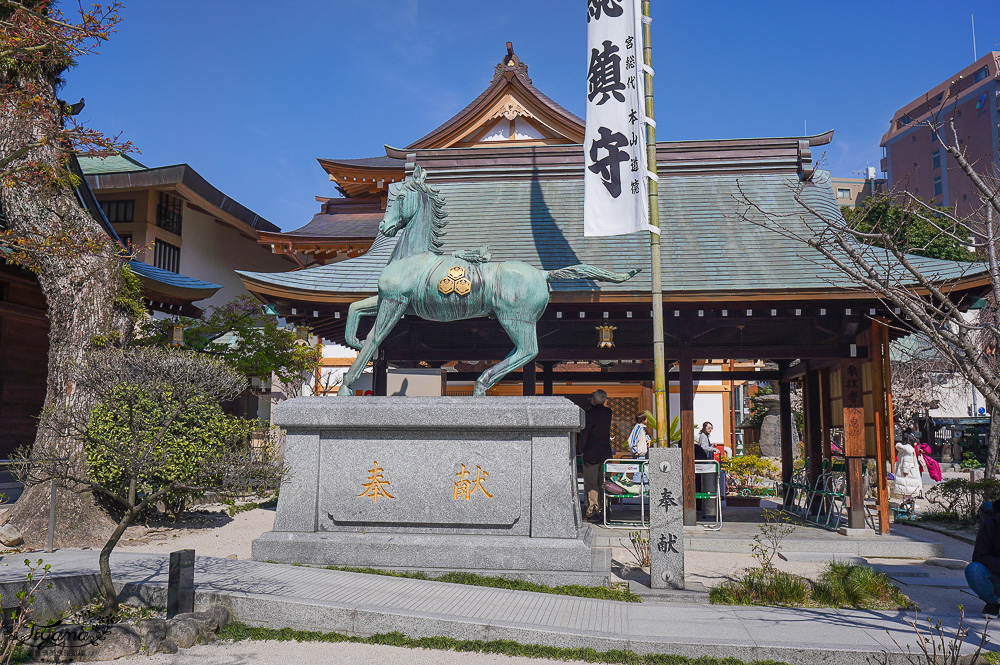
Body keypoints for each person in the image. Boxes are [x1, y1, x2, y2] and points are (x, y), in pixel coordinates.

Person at [577, 389, 613, 521]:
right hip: (605, 453)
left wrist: (580, 448)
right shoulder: (608, 413)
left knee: (592, 484)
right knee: (605, 483)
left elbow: (585, 434)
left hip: (591, 453)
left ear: (593, 400)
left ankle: (593, 511)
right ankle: (606, 511)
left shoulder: (589, 414)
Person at [966, 502, 1000, 618]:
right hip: (995, 574)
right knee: (973, 570)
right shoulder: (990, 524)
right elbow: (979, 556)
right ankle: (993, 603)